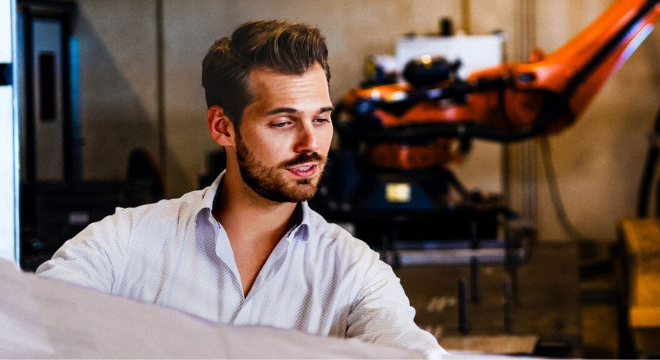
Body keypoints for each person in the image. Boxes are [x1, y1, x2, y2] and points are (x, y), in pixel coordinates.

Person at [37, 20, 444, 355]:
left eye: (321, 119)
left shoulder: (355, 272)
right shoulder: (126, 242)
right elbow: (31, 323)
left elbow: (408, 349)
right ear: (222, 127)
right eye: (283, 122)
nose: (311, 144)